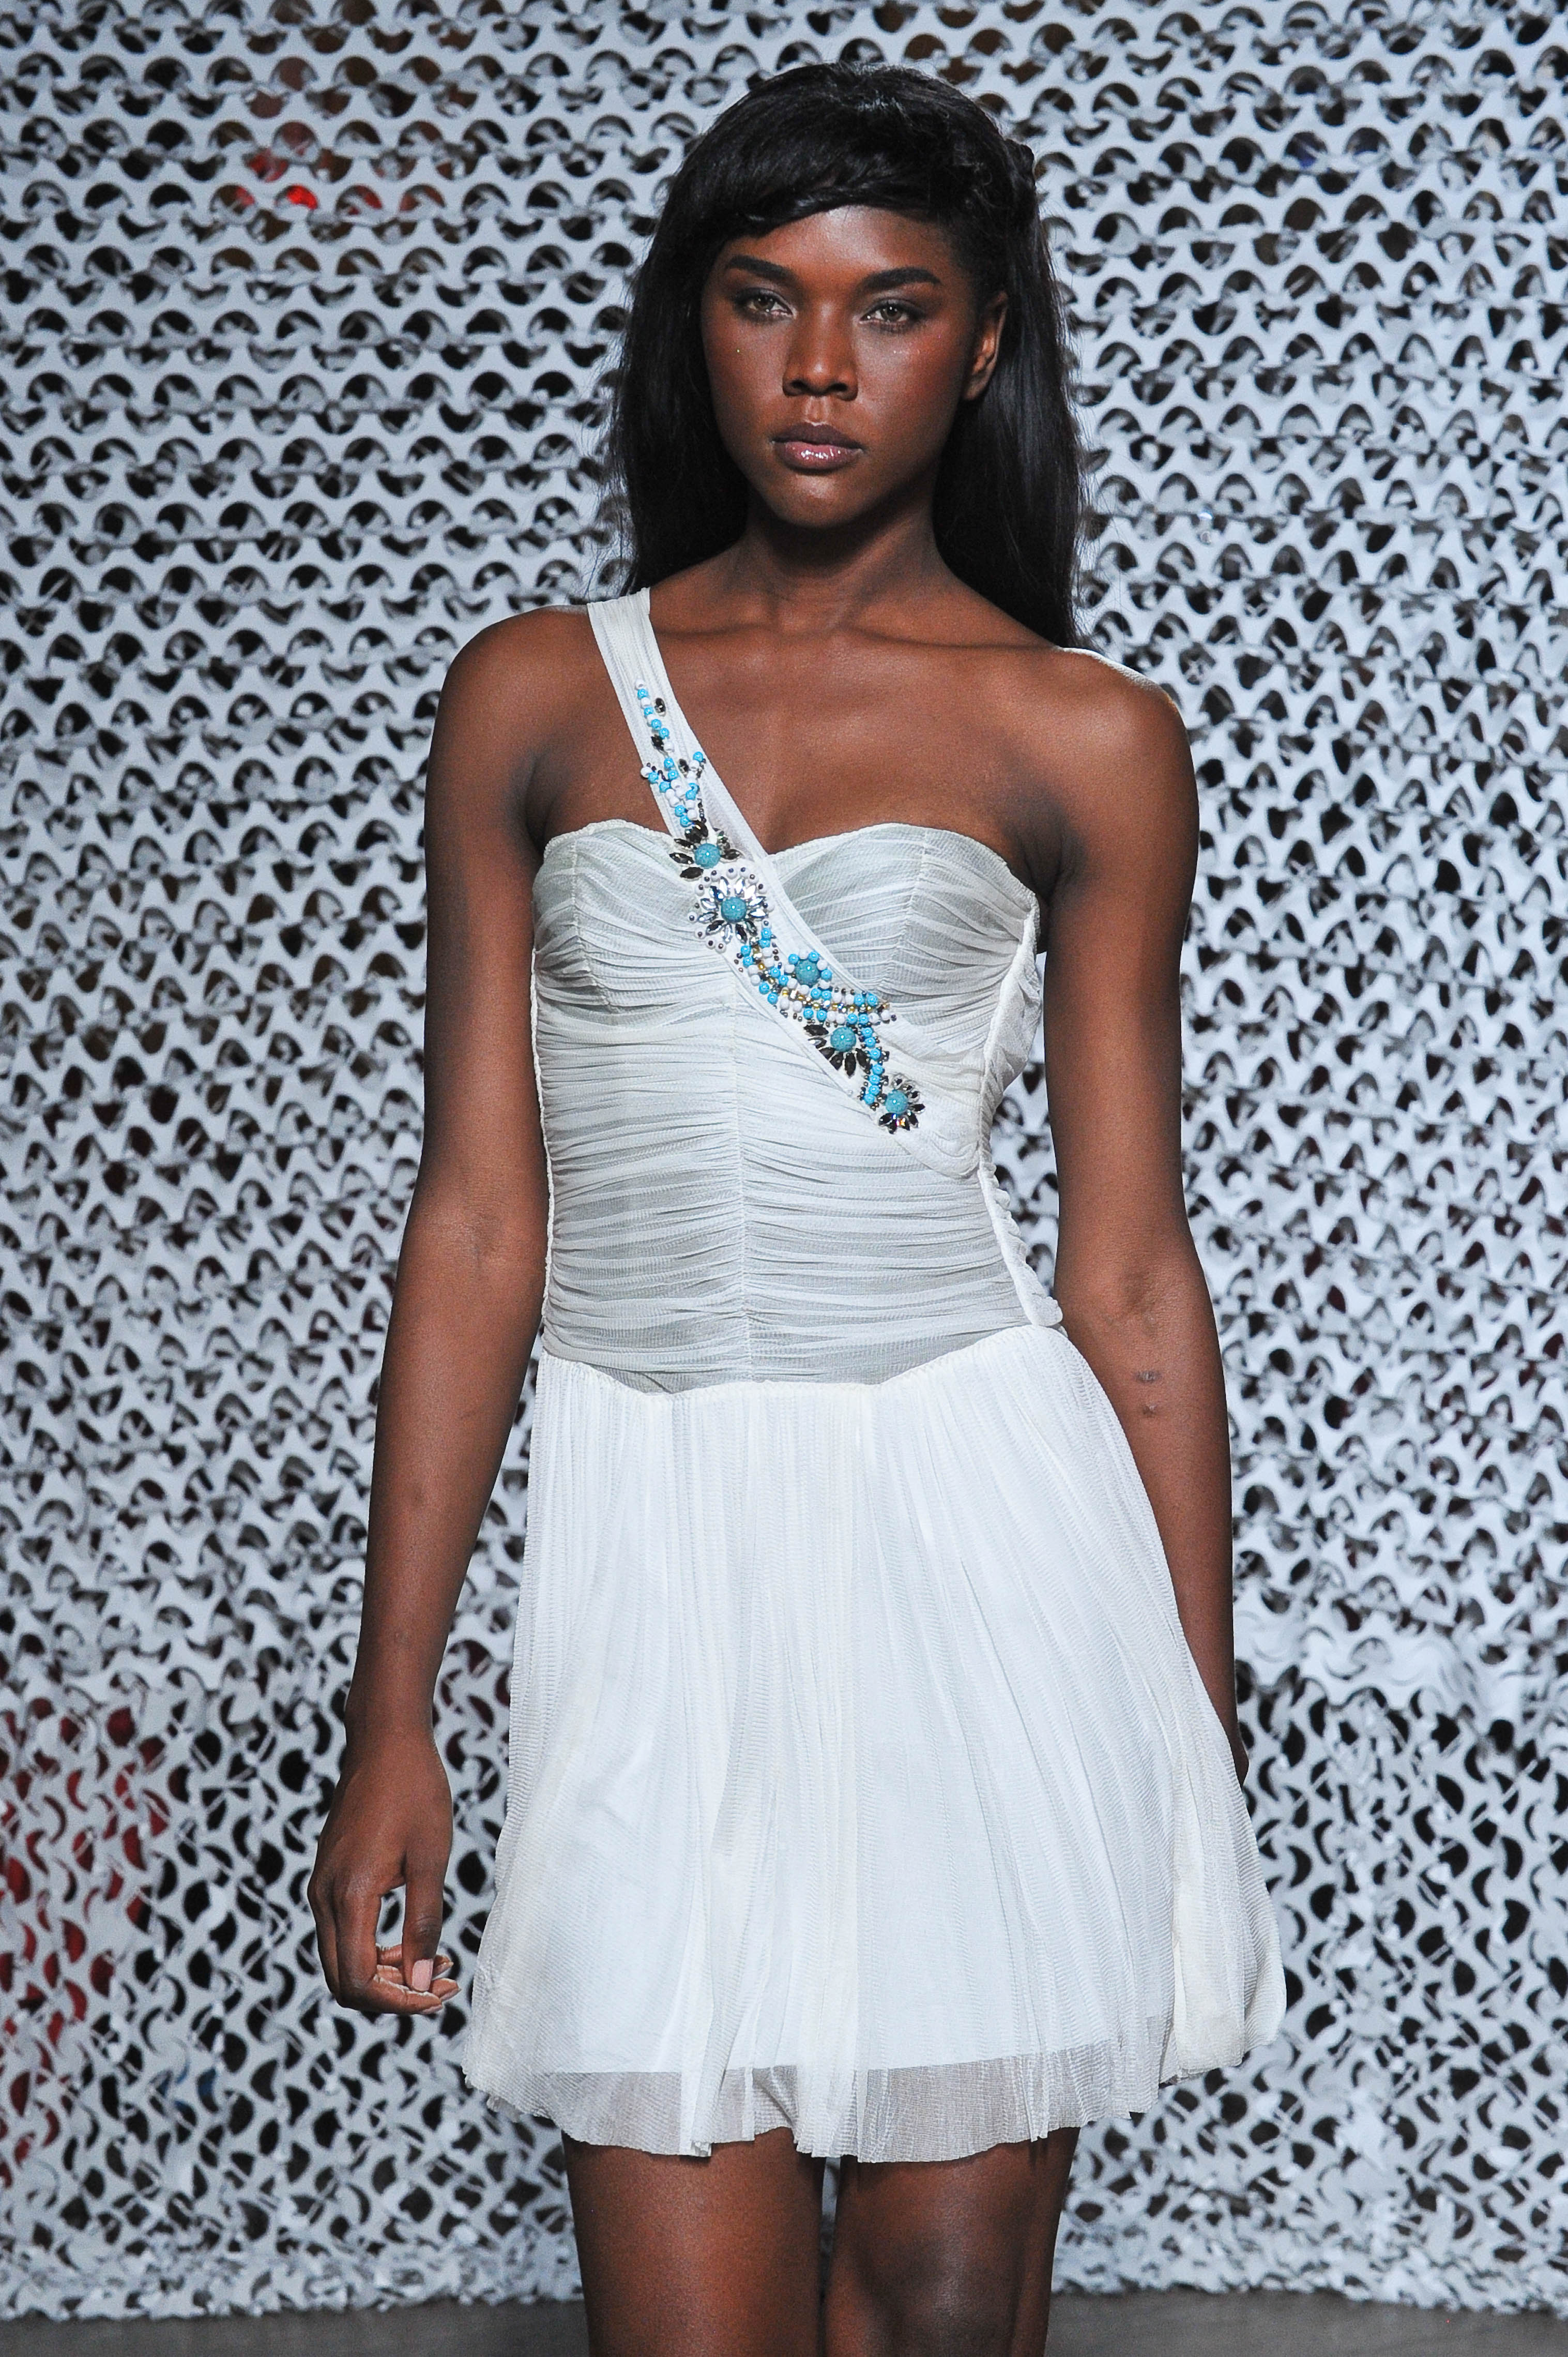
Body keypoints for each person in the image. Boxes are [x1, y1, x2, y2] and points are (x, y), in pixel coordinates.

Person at [309, 59, 1284, 2356]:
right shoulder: (533, 696)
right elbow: (477, 1224)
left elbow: (1129, 1269)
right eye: (764, 300)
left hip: (979, 1531)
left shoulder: (1082, 734)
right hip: (654, 1542)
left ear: (986, 344)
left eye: (891, 308)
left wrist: (1192, 1728)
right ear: (698, 327)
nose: (820, 368)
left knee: (944, 2311)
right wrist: (393, 1708)